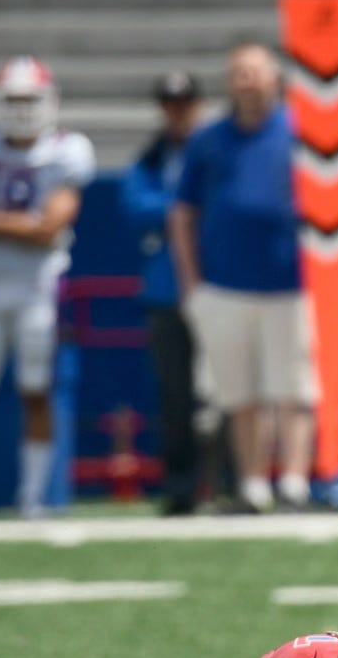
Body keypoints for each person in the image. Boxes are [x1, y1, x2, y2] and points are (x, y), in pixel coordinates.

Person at [0, 55, 93, 519]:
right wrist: (17, 224)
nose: (23, 109)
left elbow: (49, 228)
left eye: (30, 99)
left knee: (36, 391)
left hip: (38, 288)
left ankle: (32, 499)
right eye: (14, 99)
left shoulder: (67, 150)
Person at [171, 41, 314, 514]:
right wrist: (192, 283)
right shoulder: (208, 139)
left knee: (293, 390)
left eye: (255, 72)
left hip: (291, 284)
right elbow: (182, 213)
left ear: (275, 78)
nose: (247, 81)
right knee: (241, 393)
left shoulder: (302, 132)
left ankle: (294, 483)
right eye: (239, 73)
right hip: (226, 285)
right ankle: (254, 485)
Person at [122, 70, 217, 516]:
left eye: (185, 103)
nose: (178, 112)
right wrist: (185, 209)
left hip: (219, 285)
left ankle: (231, 485)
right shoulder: (153, 156)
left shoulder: (217, 149)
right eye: (170, 104)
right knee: (175, 397)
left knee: (227, 395)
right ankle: (182, 487)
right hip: (166, 291)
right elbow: (135, 206)